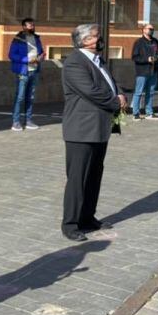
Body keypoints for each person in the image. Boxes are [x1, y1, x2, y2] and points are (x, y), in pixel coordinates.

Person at [61, 23, 125, 241]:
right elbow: (91, 91)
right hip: (81, 130)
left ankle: (88, 217)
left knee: (94, 175)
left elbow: (111, 84)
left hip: (99, 128)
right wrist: (115, 101)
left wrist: (121, 94)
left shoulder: (98, 61)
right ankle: (71, 224)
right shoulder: (74, 63)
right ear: (86, 40)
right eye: (97, 36)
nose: (101, 39)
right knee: (78, 178)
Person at [8, 18, 44, 132]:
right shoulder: (18, 39)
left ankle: (28, 120)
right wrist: (26, 60)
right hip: (23, 71)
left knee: (31, 97)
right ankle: (16, 122)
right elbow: (11, 55)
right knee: (20, 97)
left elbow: (41, 51)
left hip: (34, 71)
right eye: (29, 25)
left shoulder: (36, 38)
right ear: (23, 26)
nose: (32, 27)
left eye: (33, 25)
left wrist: (41, 57)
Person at [130, 23, 158, 121]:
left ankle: (149, 113)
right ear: (143, 30)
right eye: (149, 29)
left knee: (151, 92)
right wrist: (146, 59)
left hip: (153, 71)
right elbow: (134, 57)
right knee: (139, 92)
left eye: (152, 29)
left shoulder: (155, 41)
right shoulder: (139, 42)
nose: (151, 30)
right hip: (142, 71)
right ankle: (135, 113)